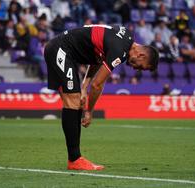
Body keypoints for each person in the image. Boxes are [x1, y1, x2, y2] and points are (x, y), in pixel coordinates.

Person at [44, 25, 159, 171]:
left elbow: (97, 57)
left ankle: (75, 159)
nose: (137, 69)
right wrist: (89, 111)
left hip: (61, 50)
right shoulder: (120, 51)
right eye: (141, 67)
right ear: (141, 55)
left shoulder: (125, 38)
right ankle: (74, 159)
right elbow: (98, 84)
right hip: (60, 50)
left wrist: (84, 86)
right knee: (73, 101)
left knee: (75, 101)